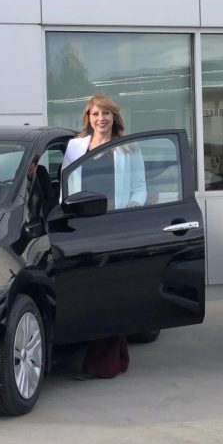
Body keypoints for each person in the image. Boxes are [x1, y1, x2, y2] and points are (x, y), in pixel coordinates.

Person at [61, 94, 146, 380]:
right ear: (89, 117)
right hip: (84, 226)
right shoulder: (74, 147)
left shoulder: (129, 149)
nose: (102, 119)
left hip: (114, 226)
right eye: (97, 113)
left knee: (111, 292)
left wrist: (128, 213)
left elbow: (139, 189)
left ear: (114, 117)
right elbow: (66, 186)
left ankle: (103, 364)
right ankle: (118, 357)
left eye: (107, 114)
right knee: (89, 291)